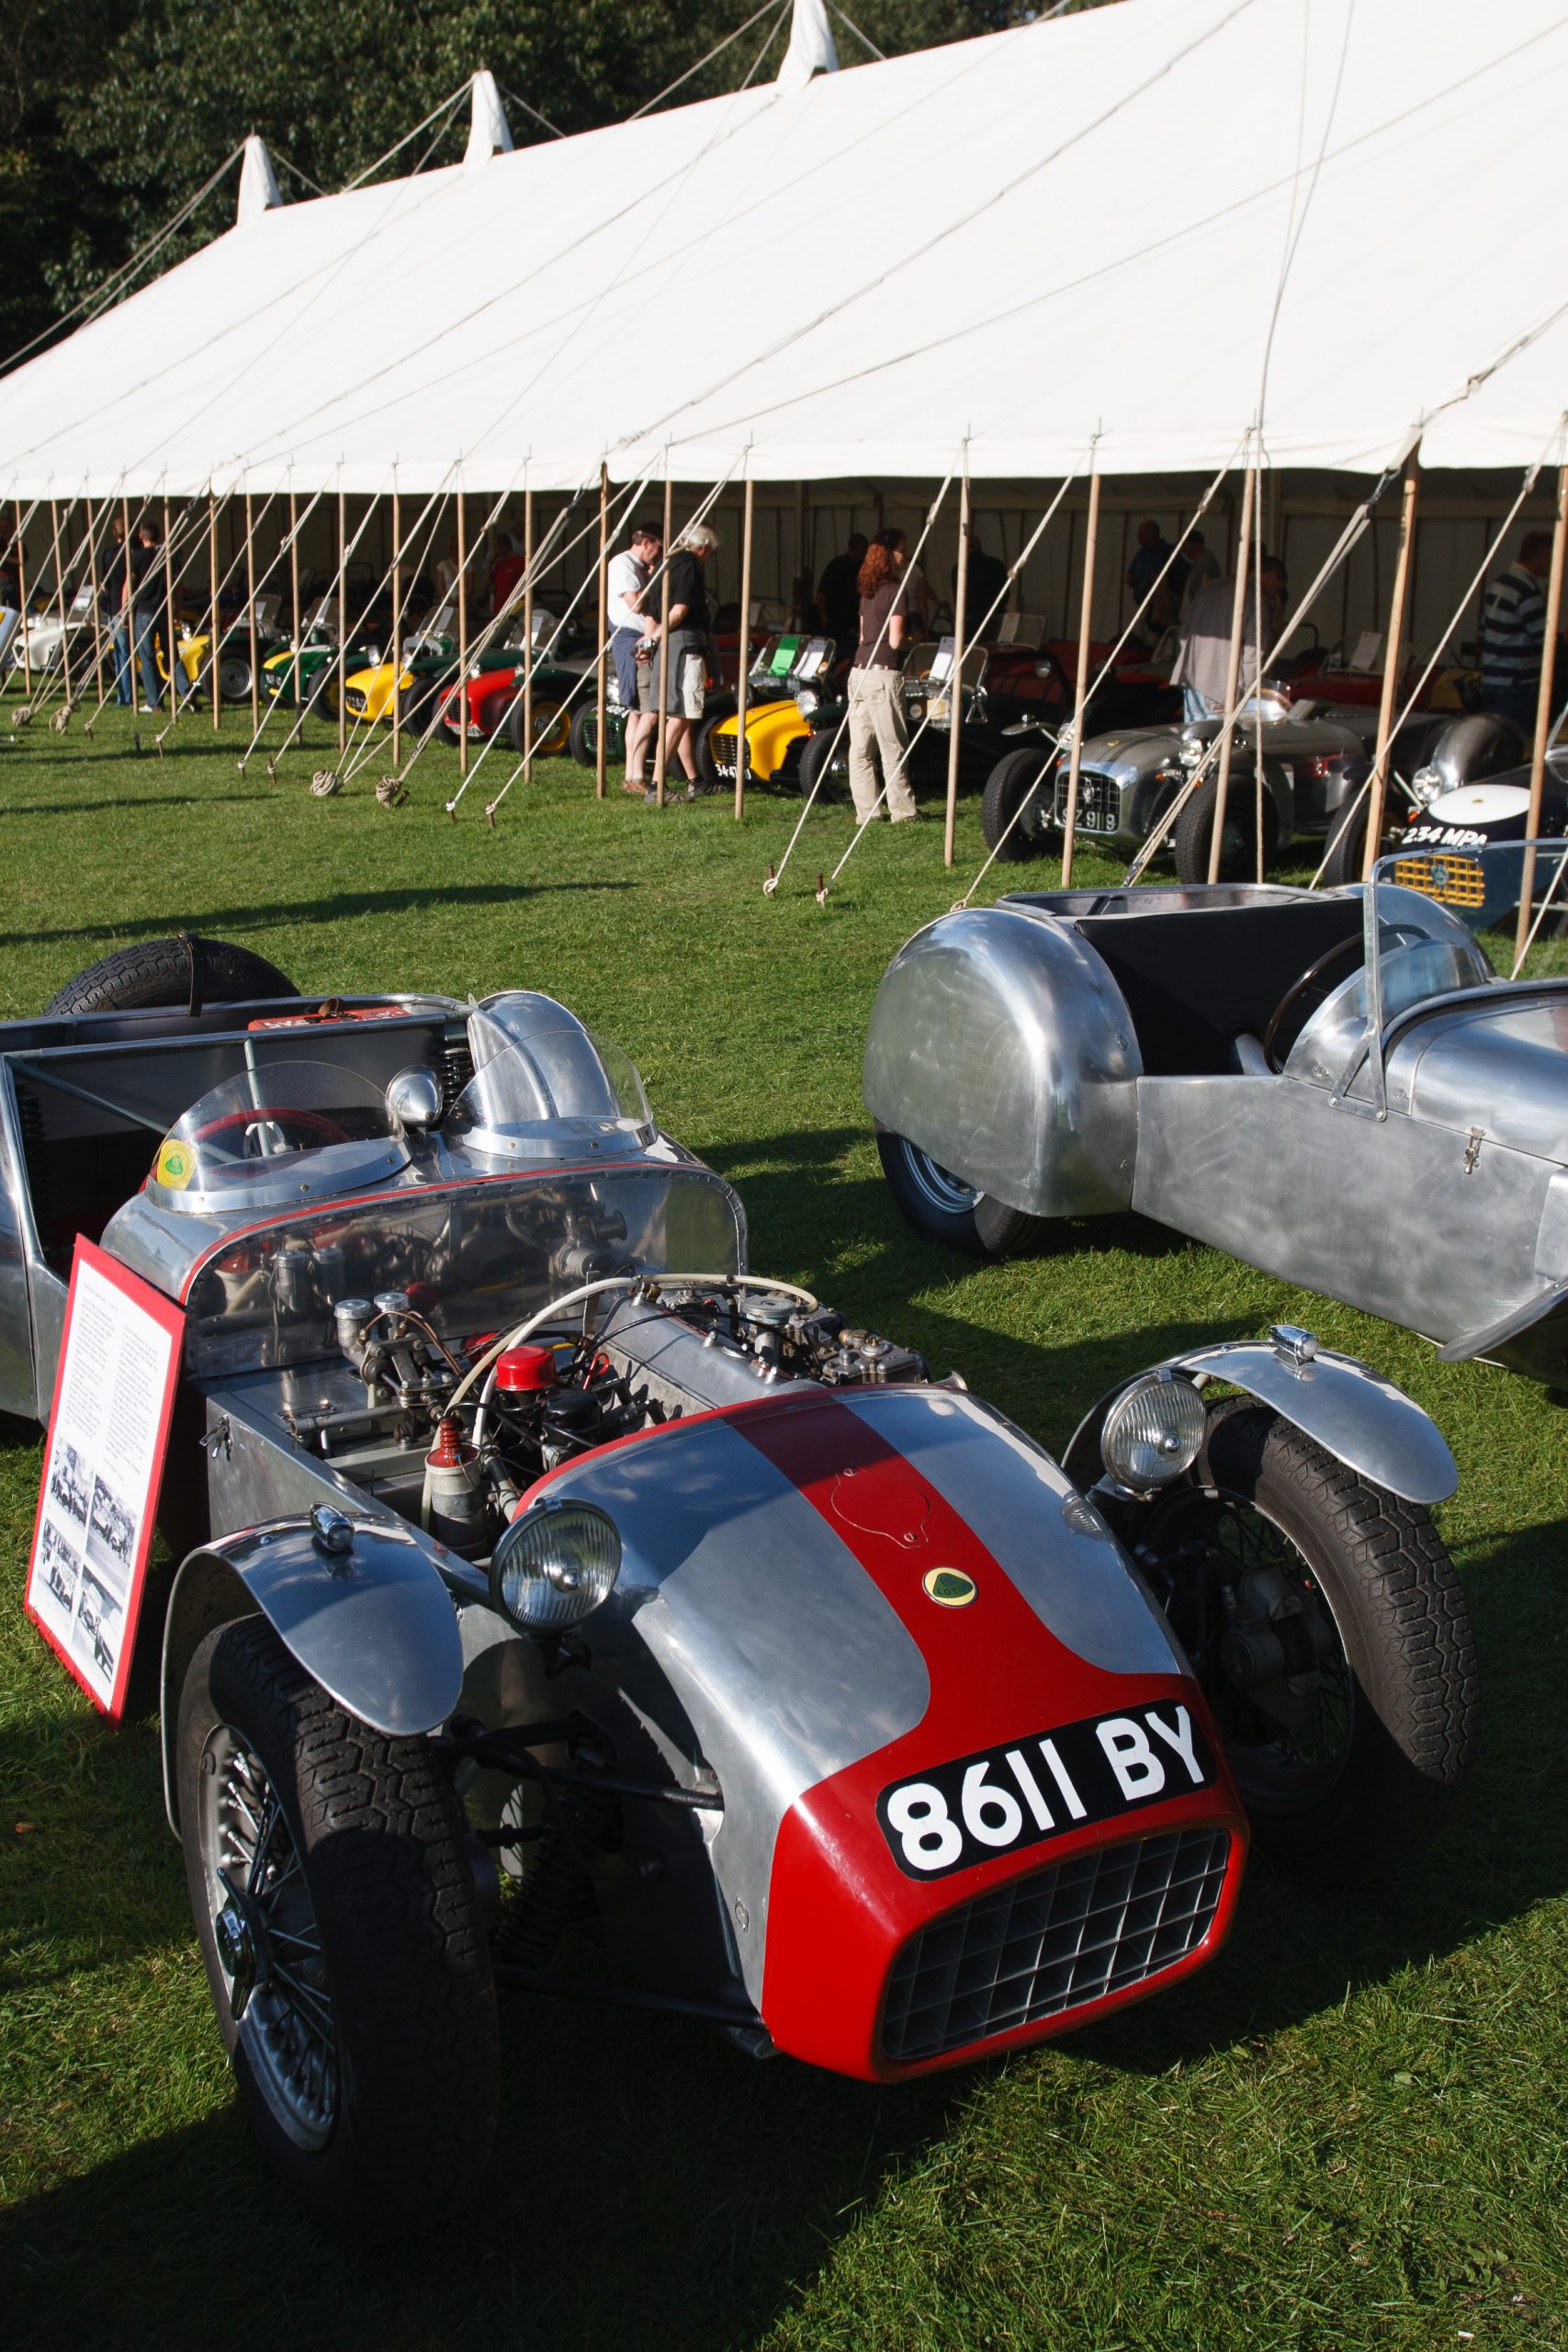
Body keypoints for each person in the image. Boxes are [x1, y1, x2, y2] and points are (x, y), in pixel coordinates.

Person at [640, 522, 718, 802]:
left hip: (666, 643)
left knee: (679, 714)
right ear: (703, 547)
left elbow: (651, 612)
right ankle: (656, 785)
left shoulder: (666, 564)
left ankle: (692, 780)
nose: (708, 558)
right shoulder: (689, 566)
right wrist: (655, 638)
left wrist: (650, 640)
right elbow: (679, 611)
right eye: (709, 553)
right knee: (681, 714)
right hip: (684, 644)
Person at [845, 527, 919, 825]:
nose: (907, 554)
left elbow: (864, 634)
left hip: (858, 671)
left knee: (860, 749)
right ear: (890, 553)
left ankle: (867, 812)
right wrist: (914, 640)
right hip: (883, 674)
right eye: (903, 549)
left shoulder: (868, 588)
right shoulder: (896, 589)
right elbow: (896, 640)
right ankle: (903, 811)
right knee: (892, 746)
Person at [1170, 552, 1287, 722]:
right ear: (1270, 577)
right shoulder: (1256, 597)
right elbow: (1253, 652)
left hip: (1191, 679)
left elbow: (1184, 633)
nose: (1274, 595)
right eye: (1277, 588)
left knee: (1193, 742)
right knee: (1217, 743)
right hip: (1222, 687)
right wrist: (1249, 694)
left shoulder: (1210, 587)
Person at [1479, 529, 1554, 734]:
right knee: (1515, 742)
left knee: (1494, 739)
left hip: (1491, 679)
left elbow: (1482, 633)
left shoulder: (1498, 585)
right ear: (1543, 555)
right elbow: (1543, 639)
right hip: (1516, 684)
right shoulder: (1527, 591)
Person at [609, 520, 661, 792]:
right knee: (641, 707)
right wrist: (656, 580)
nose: (659, 555)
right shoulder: (622, 564)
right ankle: (635, 774)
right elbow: (638, 604)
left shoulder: (634, 567)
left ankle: (633, 773)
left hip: (637, 638)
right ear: (646, 543)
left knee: (636, 710)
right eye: (658, 548)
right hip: (630, 638)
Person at [127, 517, 168, 712]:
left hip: (144, 611)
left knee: (147, 657)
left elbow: (129, 584)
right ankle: (186, 692)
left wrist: (126, 609)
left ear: (141, 536)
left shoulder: (137, 557)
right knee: (171, 654)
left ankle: (154, 701)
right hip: (162, 609)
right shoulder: (164, 555)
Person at [100, 514, 133, 705]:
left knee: (120, 652)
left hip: (113, 606)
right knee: (125, 653)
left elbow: (103, 583)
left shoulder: (108, 554)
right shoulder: (131, 553)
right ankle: (126, 697)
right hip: (125, 607)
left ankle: (123, 696)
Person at [816, 533, 866, 656]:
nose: (864, 554)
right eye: (862, 551)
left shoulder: (863, 568)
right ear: (854, 549)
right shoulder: (836, 565)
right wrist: (824, 618)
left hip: (854, 622)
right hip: (835, 622)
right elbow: (821, 593)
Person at [960, 533, 1008, 638]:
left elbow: (959, 599)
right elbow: (1006, 593)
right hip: (996, 618)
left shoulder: (961, 569)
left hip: (972, 622)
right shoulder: (997, 564)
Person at [1179, 529, 1220, 615]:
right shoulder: (1199, 562)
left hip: (1199, 614)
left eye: (1185, 546)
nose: (1183, 551)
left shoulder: (1205, 564)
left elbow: (1204, 593)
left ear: (1194, 545)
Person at [490, 530, 525, 622]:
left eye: (496, 546)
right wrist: (490, 562)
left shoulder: (520, 562)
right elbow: (487, 583)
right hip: (498, 609)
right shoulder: (497, 563)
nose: (494, 549)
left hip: (514, 609)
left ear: (504, 546)